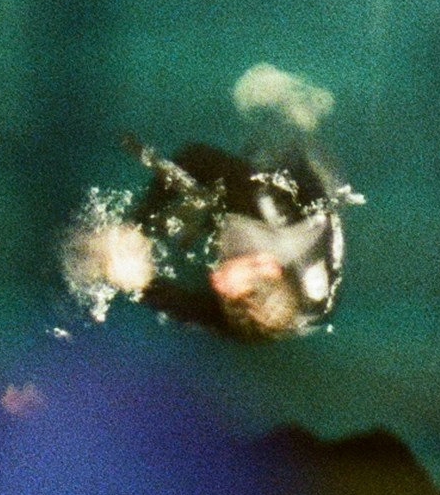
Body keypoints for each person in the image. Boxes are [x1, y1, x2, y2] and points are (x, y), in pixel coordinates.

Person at [64, 138, 346, 344]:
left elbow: (204, 315)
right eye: (228, 271)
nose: (212, 279)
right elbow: (195, 156)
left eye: (223, 295)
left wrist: (144, 285)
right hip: (291, 182)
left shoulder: (272, 318)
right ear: (266, 264)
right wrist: (136, 226)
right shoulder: (263, 201)